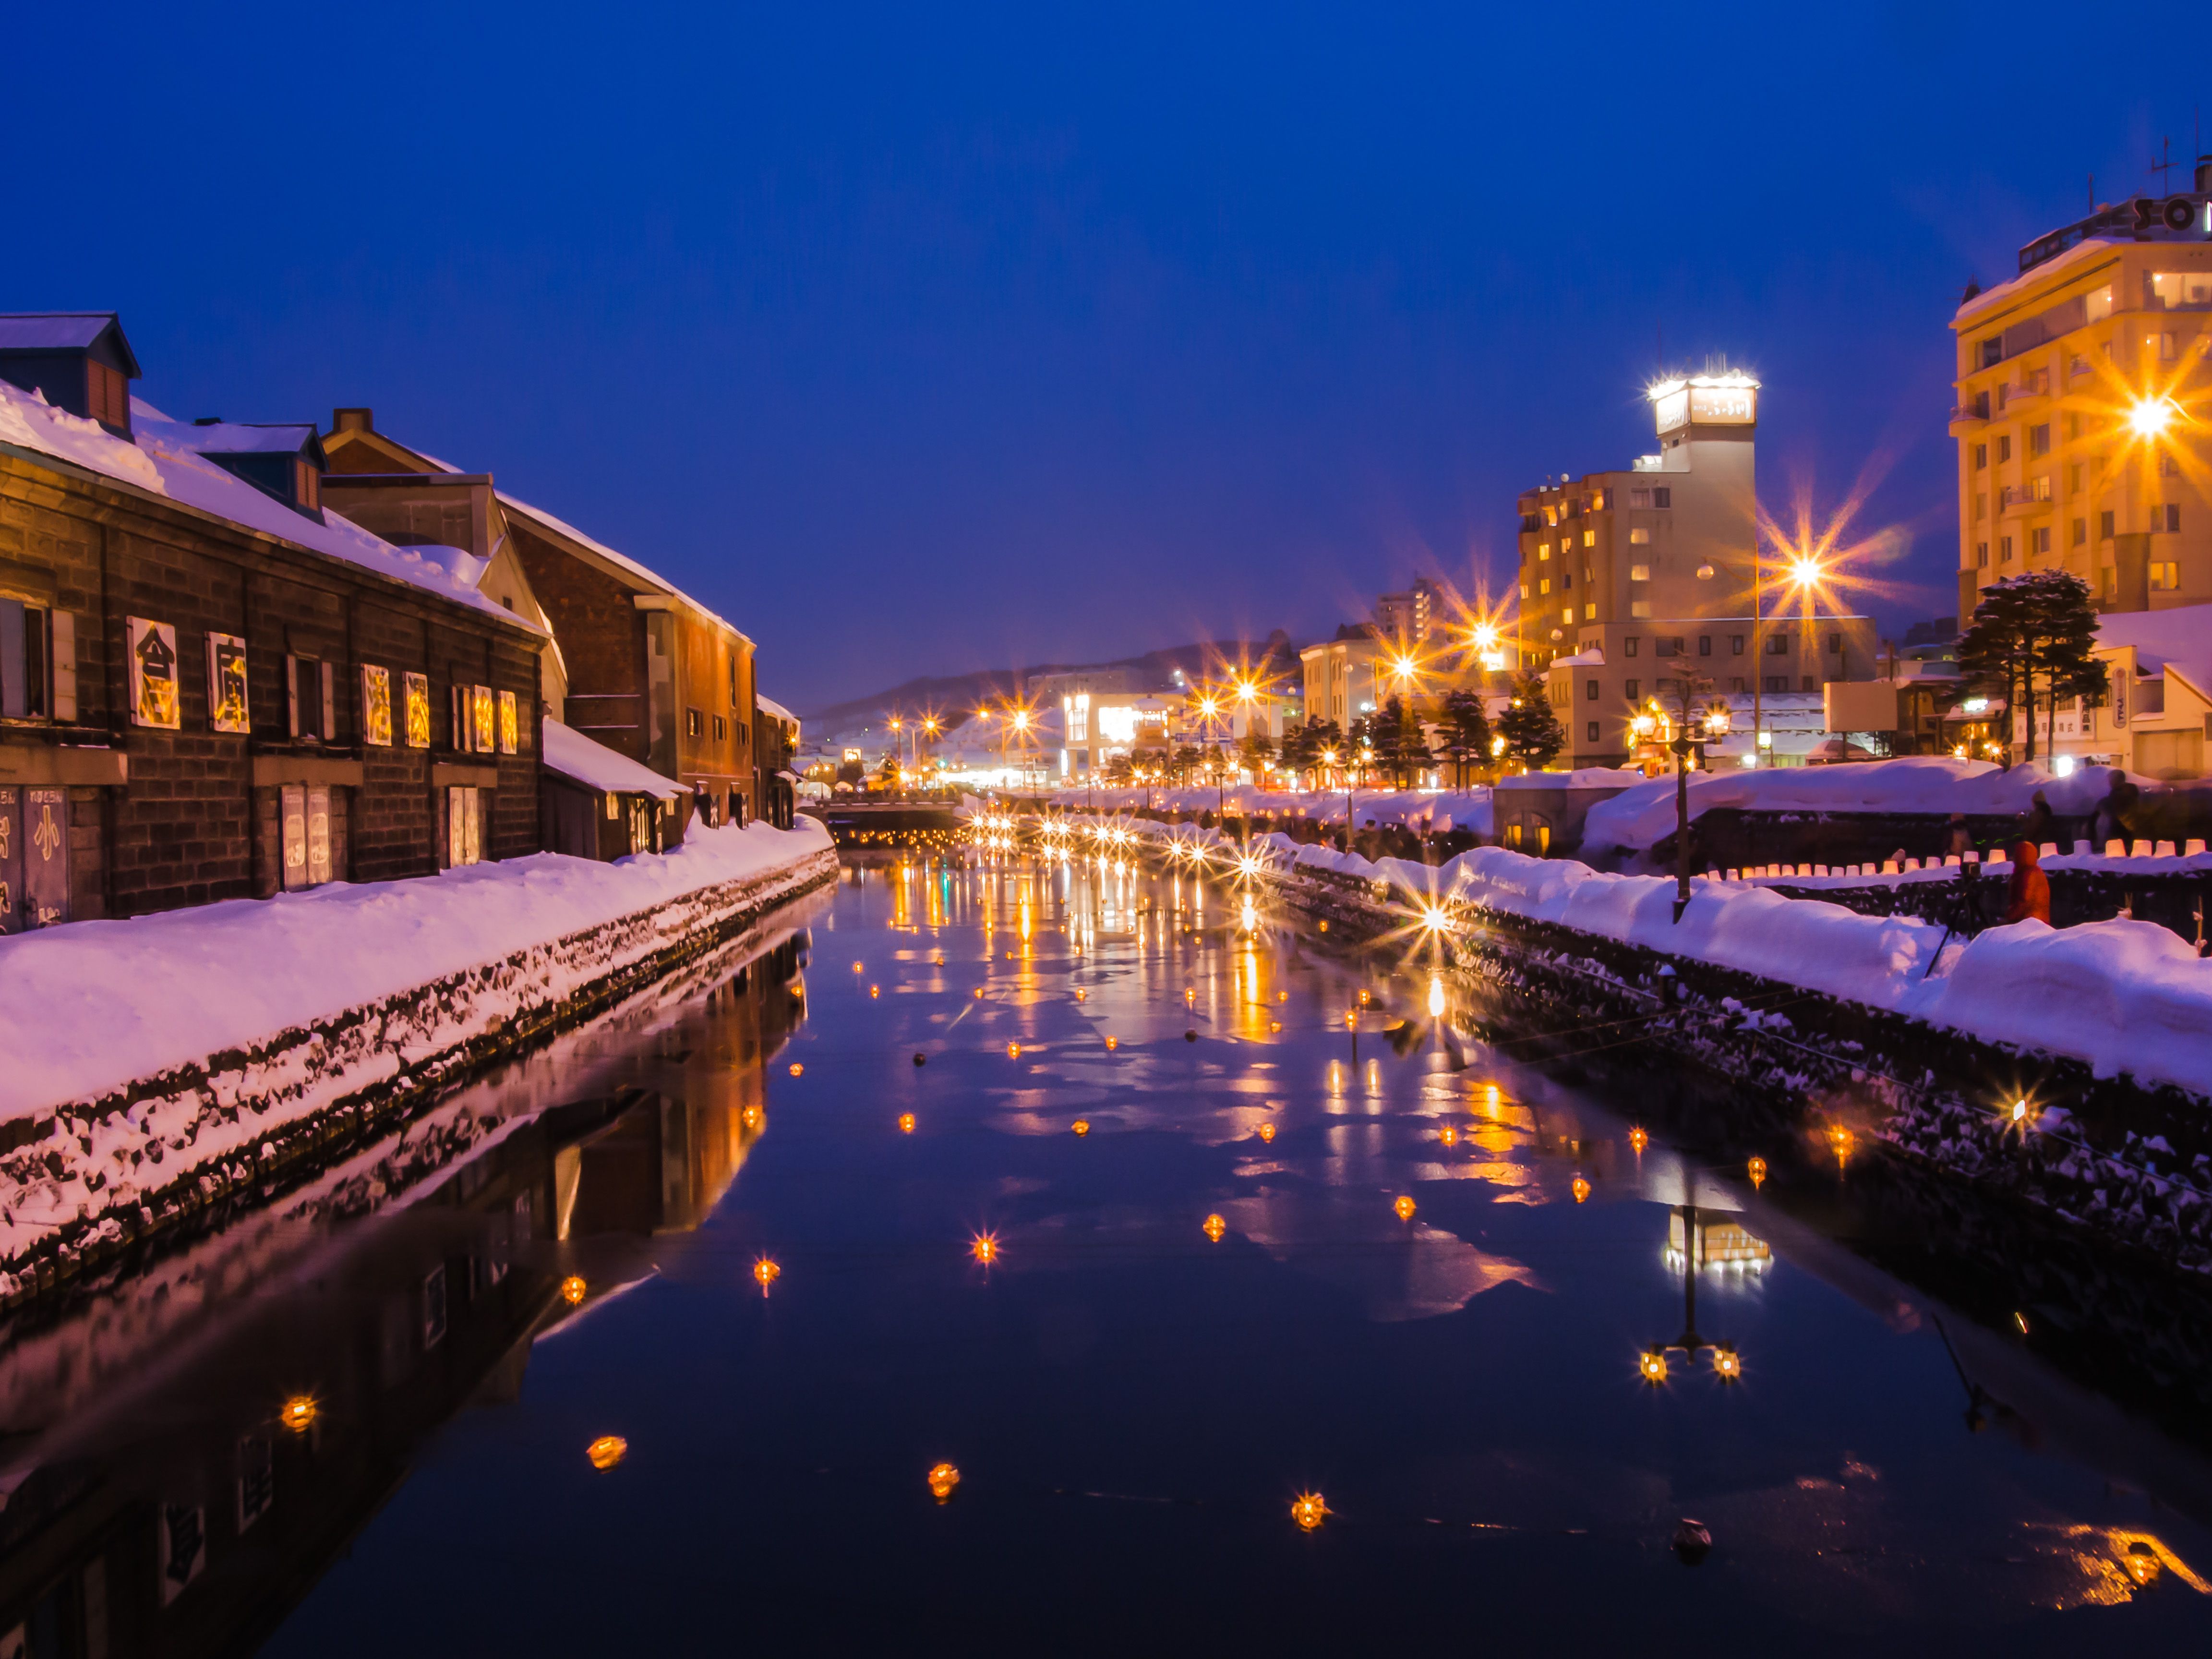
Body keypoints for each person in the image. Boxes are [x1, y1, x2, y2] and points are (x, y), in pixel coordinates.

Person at [2002, 839, 2050, 925]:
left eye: (2016, 854)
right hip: (2034, 920)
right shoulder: (2031, 872)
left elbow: (2024, 901)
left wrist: (2008, 918)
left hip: (2030, 922)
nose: (2014, 858)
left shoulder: (2028, 874)